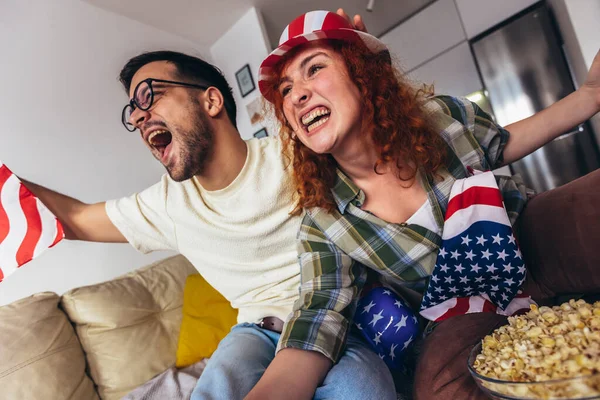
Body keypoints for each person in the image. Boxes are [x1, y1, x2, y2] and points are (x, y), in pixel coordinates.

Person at [19, 9, 403, 400]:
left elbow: (369, 135)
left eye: (149, 95)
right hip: (254, 331)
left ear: (212, 100)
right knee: (214, 389)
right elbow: (76, 218)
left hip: (336, 320)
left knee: (364, 391)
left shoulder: (295, 154)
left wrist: (366, 69)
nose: (137, 116)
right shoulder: (167, 205)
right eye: (132, 110)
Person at [258, 9, 600, 400]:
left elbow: (500, 143)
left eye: (314, 68)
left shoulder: (442, 117)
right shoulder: (323, 220)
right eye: (285, 90)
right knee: (442, 390)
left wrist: (589, 96)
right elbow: (318, 313)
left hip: (530, 239)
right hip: (459, 316)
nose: (297, 95)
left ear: (361, 73)